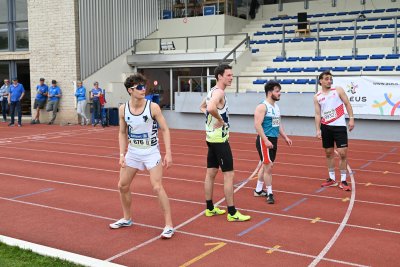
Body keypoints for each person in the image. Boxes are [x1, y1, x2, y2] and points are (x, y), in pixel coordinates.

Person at [109, 73, 174, 239]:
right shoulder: (123, 109)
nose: (143, 89)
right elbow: (122, 132)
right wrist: (122, 154)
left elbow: (165, 129)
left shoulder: (153, 107)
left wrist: (168, 153)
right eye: (139, 87)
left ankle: (169, 225)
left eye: (144, 86)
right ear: (130, 90)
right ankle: (127, 218)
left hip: (151, 152)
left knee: (157, 187)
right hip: (133, 152)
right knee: (122, 186)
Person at [199, 64, 251, 222]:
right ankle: (232, 212)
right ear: (220, 76)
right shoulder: (219, 92)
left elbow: (203, 107)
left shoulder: (212, 91)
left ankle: (209, 208)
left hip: (210, 137)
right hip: (219, 139)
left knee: (211, 173)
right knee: (229, 175)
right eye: (228, 75)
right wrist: (220, 120)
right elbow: (210, 106)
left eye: (231, 75)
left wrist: (211, 117)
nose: (231, 78)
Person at [314, 71, 355, 191]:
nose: (329, 80)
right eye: (326, 79)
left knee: (342, 153)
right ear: (320, 81)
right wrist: (317, 129)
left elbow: (347, 104)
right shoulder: (317, 96)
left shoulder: (338, 90)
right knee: (328, 153)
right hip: (325, 127)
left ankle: (343, 180)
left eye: (330, 78)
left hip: (339, 126)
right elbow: (317, 114)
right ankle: (331, 179)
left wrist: (351, 119)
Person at [253, 80, 292, 204]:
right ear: (270, 92)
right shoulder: (262, 106)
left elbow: (278, 124)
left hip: (273, 140)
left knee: (266, 166)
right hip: (265, 140)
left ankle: (258, 190)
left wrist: (285, 137)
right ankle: (269, 193)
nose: (279, 93)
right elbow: (257, 125)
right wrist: (265, 140)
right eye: (277, 91)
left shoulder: (276, 107)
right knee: (268, 167)